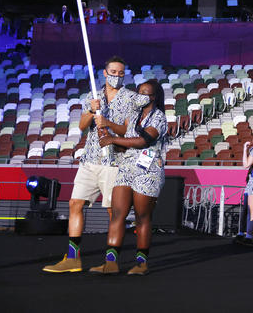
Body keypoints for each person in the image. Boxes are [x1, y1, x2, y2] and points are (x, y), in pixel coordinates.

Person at [43, 56, 148, 273]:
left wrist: (107, 123)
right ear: (104, 73)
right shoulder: (93, 96)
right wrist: (92, 111)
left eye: (121, 73)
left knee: (114, 212)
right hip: (90, 159)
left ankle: (111, 260)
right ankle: (73, 258)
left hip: (115, 163)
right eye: (113, 72)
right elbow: (81, 126)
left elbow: (127, 131)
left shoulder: (131, 98)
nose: (117, 76)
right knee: (75, 204)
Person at [89, 80, 167, 275]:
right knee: (117, 213)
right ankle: (111, 262)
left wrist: (113, 138)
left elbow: (143, 141)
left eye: (145, 93)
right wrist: (106, 135)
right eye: (138, 92)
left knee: (142, 217)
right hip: (126, 167)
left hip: (148, 170)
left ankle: (141, 263)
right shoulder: (133, 117)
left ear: (153, 97)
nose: (139, 96)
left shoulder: (159, 117)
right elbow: (126, 143)